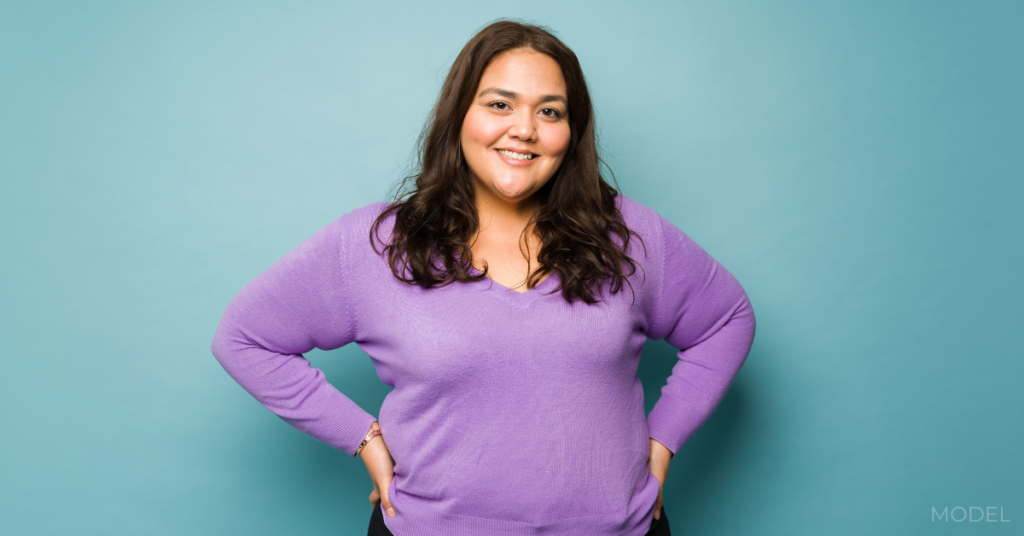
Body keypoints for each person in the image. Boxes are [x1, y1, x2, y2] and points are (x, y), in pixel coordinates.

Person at [211, 20, 755, 536]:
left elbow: (727, 319)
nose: (524, 129)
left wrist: (661, 441)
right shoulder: (376, 245)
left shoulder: (630, 235)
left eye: (550, 111)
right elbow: (245, 339)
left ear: (572, 131)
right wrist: (365, 438)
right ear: (459, 116)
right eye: (500, 104)